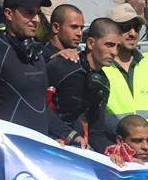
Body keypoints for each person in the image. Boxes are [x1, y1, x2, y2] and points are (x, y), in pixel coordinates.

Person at [0, 0, 81, 180]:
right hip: (6, 162)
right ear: (8, 14)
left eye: (38, 13)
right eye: (29, 13)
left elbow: (39, 108)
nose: (36, 19)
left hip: (36, 160)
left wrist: (70, 134)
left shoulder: (35, 54)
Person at [102, 2, 148, 154]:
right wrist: (129, 138)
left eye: (137, 27)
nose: (132, 33)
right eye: (125, 27)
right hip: (116, 154)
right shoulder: (100, 66)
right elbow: (98, 112)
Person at [47, 17, 120, 146]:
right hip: (44, 142)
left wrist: (111, 152)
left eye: (117, 46)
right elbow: (34, 107)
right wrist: (67, 135)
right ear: (91, 43)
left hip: (73, 147)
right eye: (109, 45)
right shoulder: (62, 66)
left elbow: (96, 133)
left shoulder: (103, 83)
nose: (114, 52)